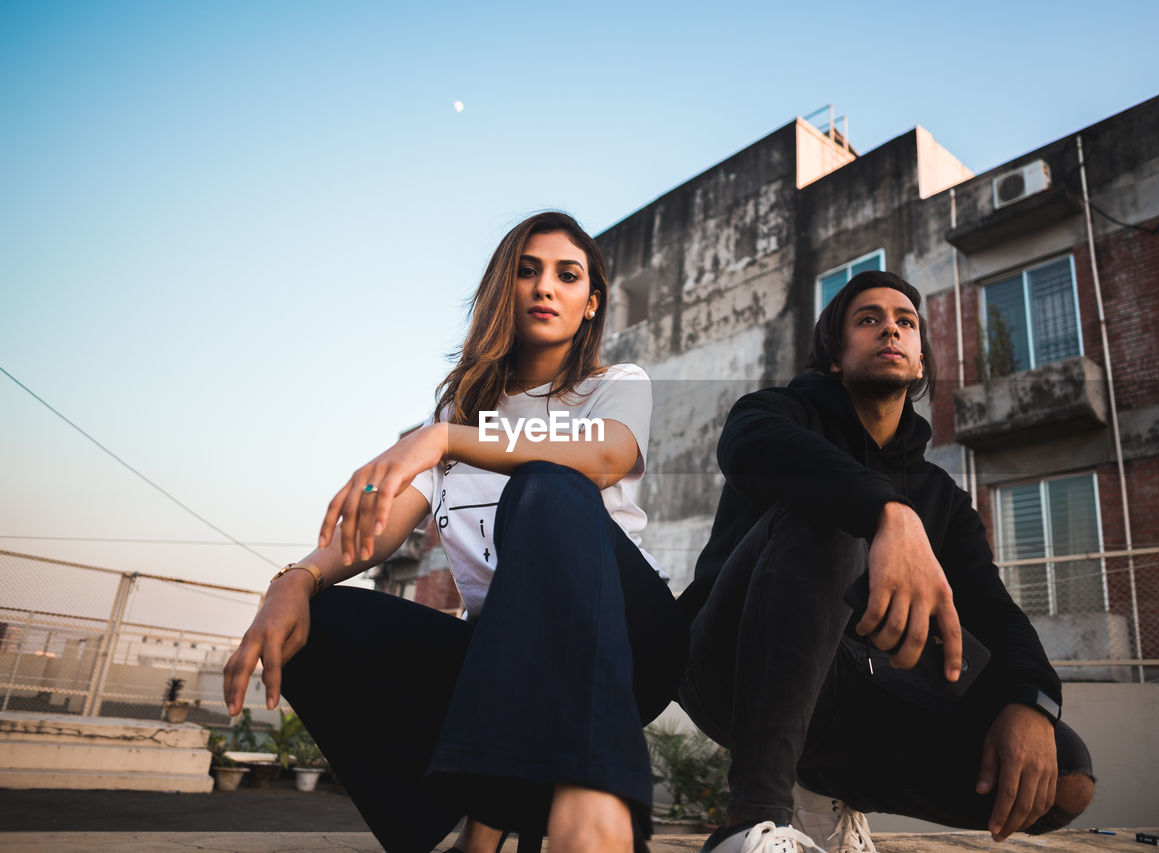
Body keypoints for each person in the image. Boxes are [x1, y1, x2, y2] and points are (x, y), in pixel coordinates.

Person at [222, 211, 688, 853]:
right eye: (527, 271)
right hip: (504, 657)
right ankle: (451, 823)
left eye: (566, 275)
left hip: (630, 640)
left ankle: (571, 805)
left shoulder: (613, 387)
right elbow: (377, 531)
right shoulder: (457, 414)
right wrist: (295, 580)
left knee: (546, 485)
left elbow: (605, 454)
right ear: (505, 288)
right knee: (320, 624)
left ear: (590, 304)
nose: (545, 287)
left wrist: (443, 439)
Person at [676, 271, 1095, 853]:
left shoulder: (941, 495)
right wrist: (889, 514)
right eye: (868, 319)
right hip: (730, 663)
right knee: (830, 516)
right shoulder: (775, 413)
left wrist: (1031, 700)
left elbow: (993, 610)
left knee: (1068, 774)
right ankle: (752, 821)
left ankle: (825, 790)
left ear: (920, 361)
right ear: (835, 359)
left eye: (905, 322)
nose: (890, 329)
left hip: (855, 693)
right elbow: (748, 449)